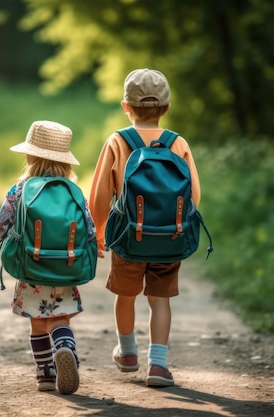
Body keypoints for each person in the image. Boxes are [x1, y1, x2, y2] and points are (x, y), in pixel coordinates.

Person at [88, 69, 201, 387]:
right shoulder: (177, 143)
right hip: (169, 236)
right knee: (159, 299)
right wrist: (178, 226)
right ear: (165, 107)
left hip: (127, 237)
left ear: (126, 106)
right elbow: (194, 194)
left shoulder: (117, 141)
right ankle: (159, 366)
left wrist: (98, 231)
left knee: (126, 294)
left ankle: (127, 353)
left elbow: (100, 194)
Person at [0, 120, 95, 395]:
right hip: (66, 268)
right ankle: (65, 347)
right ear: (65, 162)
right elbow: (89, 230)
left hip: (31, 268)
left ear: (30, 156)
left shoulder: (20, 190)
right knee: (60, 318)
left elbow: (0, 229)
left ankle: (45, 374)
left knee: (38, 321)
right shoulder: (74, 191)